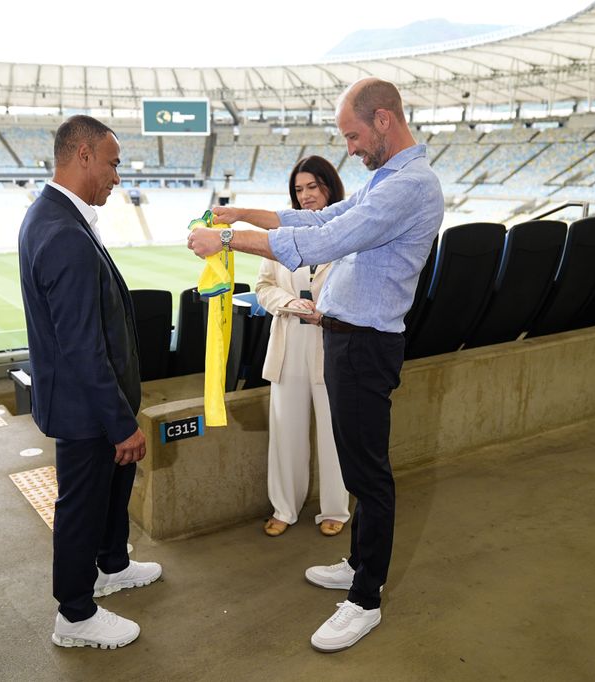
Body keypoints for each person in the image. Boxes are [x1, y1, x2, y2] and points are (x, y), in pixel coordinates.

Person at [187, 78, 444, 652]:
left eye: (353, 135)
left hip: (366, 345)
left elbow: (321, 243)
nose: (348, 148)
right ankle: (359, 565)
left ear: (383, 120)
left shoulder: (410, 186)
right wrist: (238, 213)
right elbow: (310, 222)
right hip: (347, 340)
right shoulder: (386, 181)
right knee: (357, 467)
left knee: (369, 477)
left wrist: (226, 238)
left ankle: (365, 599)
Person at [18, 114, 162, 650]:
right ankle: (75, 616)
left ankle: (112, 565)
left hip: (91, 402)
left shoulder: (58, 217)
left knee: (110, 490)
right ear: (82, 156)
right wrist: (121, 423)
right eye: (112, 163)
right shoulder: (61, 231)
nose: (117, 177)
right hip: (86, 409)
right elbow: (82, 345)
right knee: (81, 505)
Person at [256, 156, 350, 538]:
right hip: (289, 340)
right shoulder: (283, 234)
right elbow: (263, 288)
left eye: (313, 186)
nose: (306, 195)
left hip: (333, 340)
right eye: (299, 189)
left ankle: (336, 508)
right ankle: (284, 506)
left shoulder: (349, 231)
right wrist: (290, 304)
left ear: (330, 187)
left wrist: (325, 310)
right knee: (285, 430)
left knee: (334, 432)